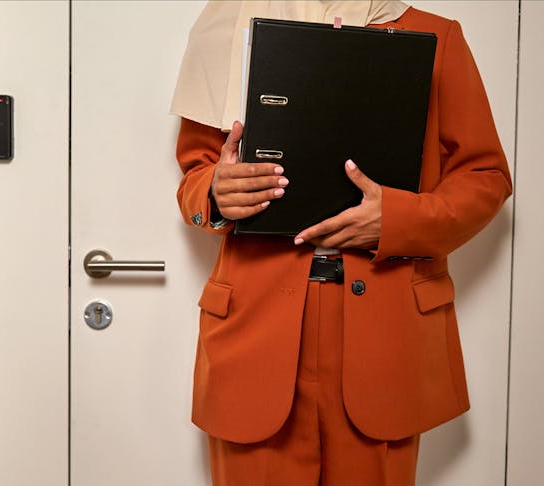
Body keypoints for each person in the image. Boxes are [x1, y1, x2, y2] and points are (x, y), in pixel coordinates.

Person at [170, 1, 512, 485]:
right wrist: (216, 192)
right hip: (256, 332)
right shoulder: (228, 25)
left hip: (385, 330)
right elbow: (196, 172)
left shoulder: (435, 35)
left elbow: (485, 176)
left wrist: (396, 220)